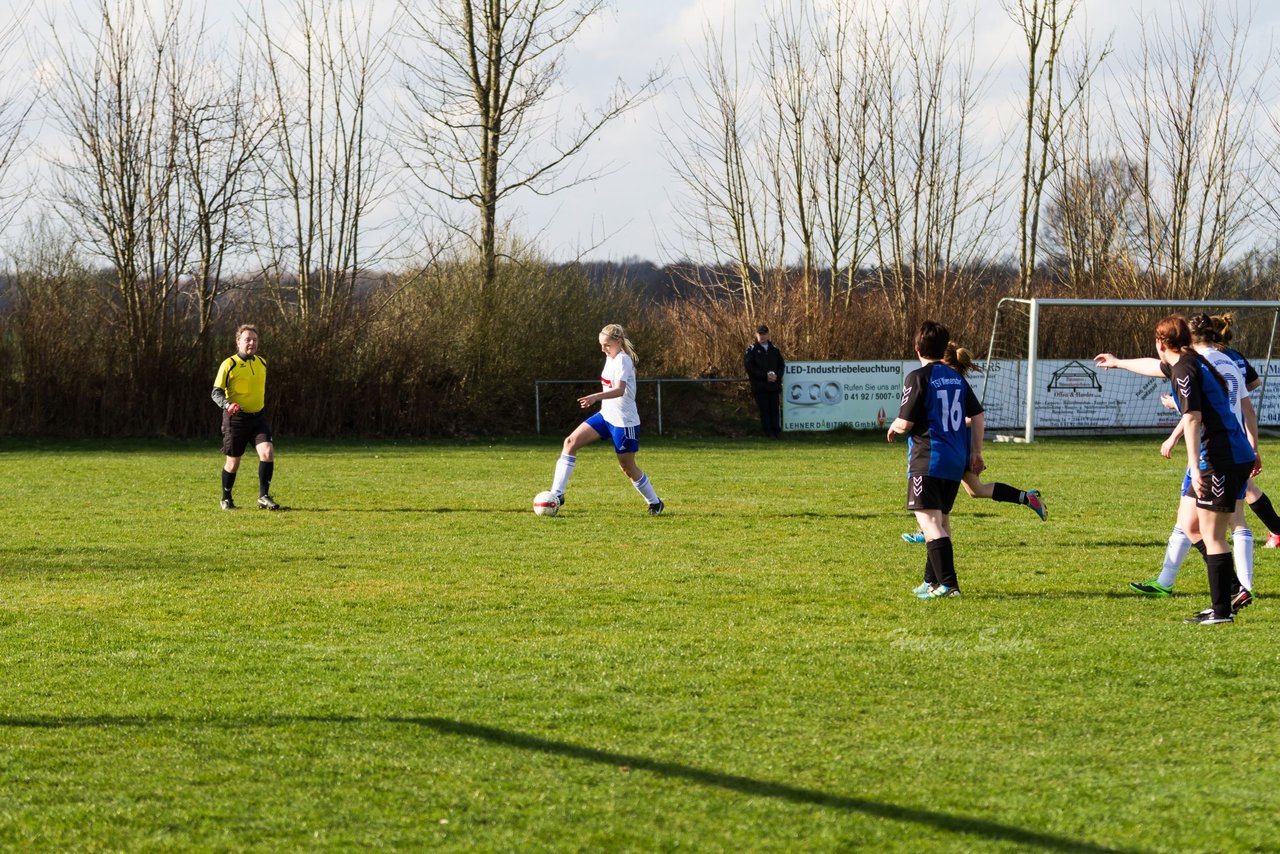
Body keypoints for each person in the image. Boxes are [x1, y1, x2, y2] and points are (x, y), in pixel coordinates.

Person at [1096, 315, 1255, 624]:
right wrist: (1117, 362)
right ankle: (1232, 591)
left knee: (1213, 535)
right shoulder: (1188, 360)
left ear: (1160, 342)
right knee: (1191, 526)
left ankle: (1222, 610)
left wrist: (1196, 467)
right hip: (1230, 455)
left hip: (1222, 459)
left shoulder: (1185, 368)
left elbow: (1193, 418)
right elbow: (1152, 366)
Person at [898, 342, 1047, 542]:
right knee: (976, 490)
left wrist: (974, 450)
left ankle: (931, 532)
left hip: (954, 445)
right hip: (955, 444)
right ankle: (1025, 498)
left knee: (954, 489)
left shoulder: (947, 381)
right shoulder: (951, 380)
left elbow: (972, 416)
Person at [887, 320, 985, 599]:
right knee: (939, 521)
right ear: (944, 350)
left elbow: (906, 423)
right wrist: (976, 452)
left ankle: (949, 584)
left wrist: (894, 425)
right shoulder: (957, 378)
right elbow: (977, 414)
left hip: (929, 458)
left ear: (917, 348)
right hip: (955, 460)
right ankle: (931, 581)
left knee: (928, 522)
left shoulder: (917, 377)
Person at [547, 324, 664, 515]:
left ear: (618, 342)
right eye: (601, 345)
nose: (603, 349)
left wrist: (595, 397)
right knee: (570, 442)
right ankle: (557, 494)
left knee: (627, 466)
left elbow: (619, 390)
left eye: (606, 345)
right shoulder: (609, 359)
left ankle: (655, 502)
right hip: (606, 415)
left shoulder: (623, 361)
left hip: (624, 423)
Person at [1214, 313, 1280, 550]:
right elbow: (1254, 383)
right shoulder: (1236, 356)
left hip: (1226, 430)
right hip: (1240, 426)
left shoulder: (1212, 358)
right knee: (1245, 486)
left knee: (1241, 488)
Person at [212, 324, 280, 511]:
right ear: (238, 342)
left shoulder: (262, 363)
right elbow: (216, 392)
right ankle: (226, 498)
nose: (252, 343)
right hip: (236, 420)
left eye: (255, 340)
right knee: (233, 462)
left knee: (267, 453)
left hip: (258, 418)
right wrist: (227, 405)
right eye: (247, 339)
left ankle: (263, 497)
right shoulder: (229, 364)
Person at [744, 324, 785, 439]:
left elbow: (781, 365)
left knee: (775, 409)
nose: (762, 336)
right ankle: (769, 432)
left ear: (768, 334)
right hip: (760, 386)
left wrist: (776, 375)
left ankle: (777, 431)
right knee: (765, 410)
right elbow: (749, 367)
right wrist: (765, 376)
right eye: (760, 334)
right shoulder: (751, 350)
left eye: (764, 334)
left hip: (774, 385)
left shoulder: (774, 349)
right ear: (756, 335)